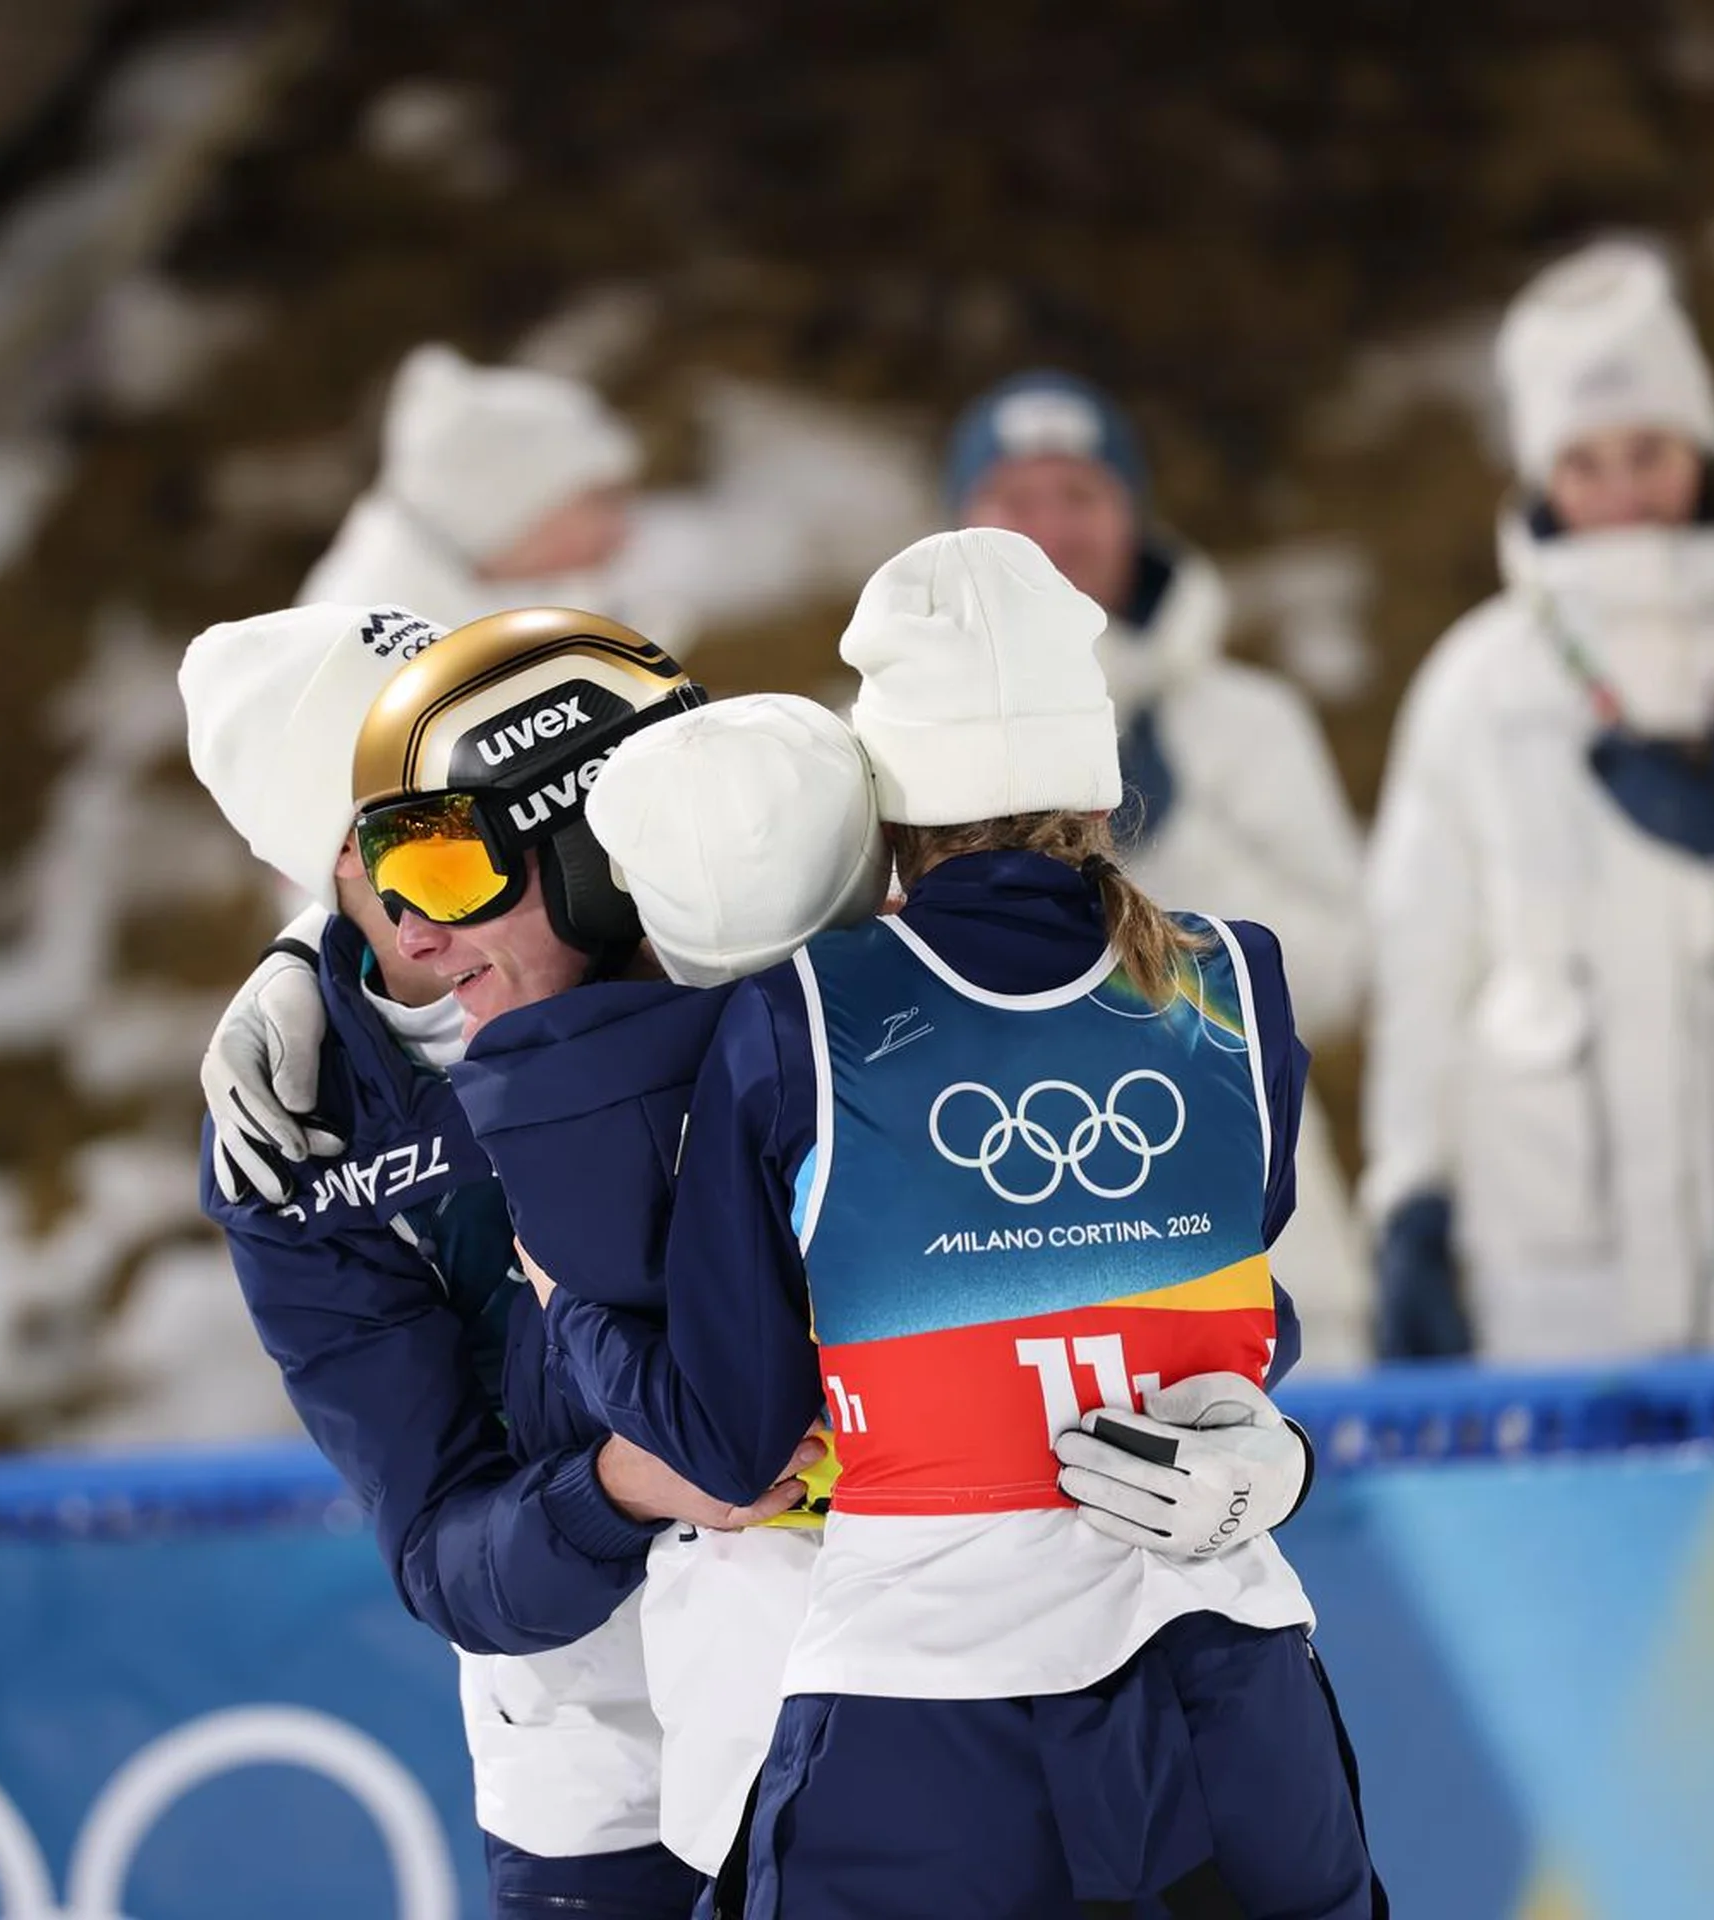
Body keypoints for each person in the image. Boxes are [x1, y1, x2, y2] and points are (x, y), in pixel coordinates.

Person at [396, 532, 1377, 1917]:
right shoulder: (1236, 983)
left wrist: (573, 1308)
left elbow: (732, 1434)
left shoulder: (800, 1016)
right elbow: (1237, 1314)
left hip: (933, 1737)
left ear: (886, 799)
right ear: (1097, 778)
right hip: (1234, 1696)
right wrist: (1270, 1452)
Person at [179, 600, 813, 1919]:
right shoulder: (296, 1122)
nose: (428, 903)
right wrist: (626, 1486)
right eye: (384, 848)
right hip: (583, 1739)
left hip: (837, 1642)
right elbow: (439, 1544)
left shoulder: (703, 902)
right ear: (330, 867)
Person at [1366, 241, 1714, 1361]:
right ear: (1539, 475)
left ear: (1703, 444)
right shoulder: (1484, 680)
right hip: (1566, 1286)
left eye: (1649, 451)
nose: (1621, 491)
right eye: (1585, 462)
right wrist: (1412, 1195)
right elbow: (1426, 959)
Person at [949, 370, 1374, 1367]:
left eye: (1082, 495)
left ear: (1131, 513)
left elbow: (1343, 978)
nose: (1052, 527)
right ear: (962, 522)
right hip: (1010, 1257)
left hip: (1268, 1249)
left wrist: (1164, 842)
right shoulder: (880, 734)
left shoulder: (1248, 720)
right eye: (1016, 498)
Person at [302, 343, 656, 632]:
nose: (621, 532)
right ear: (513, 499)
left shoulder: (557, 598)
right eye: (600, 502)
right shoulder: (363, 637)